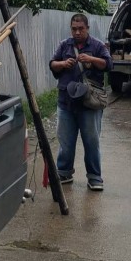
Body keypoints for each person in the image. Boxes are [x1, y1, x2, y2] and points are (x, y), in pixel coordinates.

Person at [50, 13, 111, 191]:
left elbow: (108, 64)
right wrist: (63, 64)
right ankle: (64, 172)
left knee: (91, 142)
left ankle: (94, 177)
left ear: (87, 28)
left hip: (89, 104)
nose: (77, 32)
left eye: (81, 29)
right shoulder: (64, 45)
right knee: (65, 141)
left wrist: (91, 59)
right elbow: (52, 64)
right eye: (74, 29)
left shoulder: (98, 46)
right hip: (66, 103)